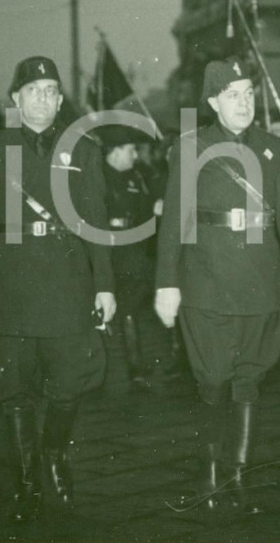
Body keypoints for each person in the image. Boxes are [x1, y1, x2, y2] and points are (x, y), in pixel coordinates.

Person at [0, 56, 115, 523]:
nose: (43, 98)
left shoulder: (82, 150)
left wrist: (104, 285)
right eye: (33, 90)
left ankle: (53, 453)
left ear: (61, 101)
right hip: (7, 284)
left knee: (69, 382)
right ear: (16, 99)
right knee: (15, 388)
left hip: (66, 282)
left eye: (51, 91)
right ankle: (25, 478)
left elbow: (96, 224)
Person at [154, 57, 280, 512]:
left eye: (248, 93)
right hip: (207, 281)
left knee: (250, 377)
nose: (244, 103)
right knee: (213, 377)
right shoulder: (191, 147)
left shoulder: (274, 148)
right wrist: (167, 283)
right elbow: (173, 223)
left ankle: (236, 475)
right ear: (213, 102)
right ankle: (208, 465)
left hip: (263, 281)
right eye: (232, 95)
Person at [98, 124, 174, 391]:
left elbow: (144, 213)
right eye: (130, 150)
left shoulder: (136, 177)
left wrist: (156, 211)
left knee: (130, 306)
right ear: (115, 151)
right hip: (105, 250)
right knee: (105, 309)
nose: (134, 155)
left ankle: (134, 365)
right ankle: (105, 368)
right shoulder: (96, 177)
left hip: (132, 251)